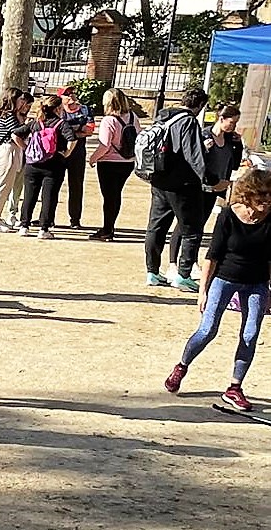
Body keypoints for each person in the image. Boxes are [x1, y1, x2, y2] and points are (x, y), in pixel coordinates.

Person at [163, 165, 271, 412]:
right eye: (261, 196)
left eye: (270, 196)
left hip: (256, 283)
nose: (266, 202)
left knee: (250, 334)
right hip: (224, 279)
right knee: (208, 329)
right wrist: (203, 291)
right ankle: (182, 365)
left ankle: (234, 388)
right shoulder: (228, 216)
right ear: (247, 195)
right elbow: (212, 256)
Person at [144, 89, 212, 290]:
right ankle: (183, 274)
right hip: (182, 184)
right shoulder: (189, 122)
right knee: (191, 228)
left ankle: (152, 272)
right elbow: (193, 154)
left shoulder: (163, 117)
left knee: (156, 226)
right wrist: (208, 179)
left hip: (159, 179)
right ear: (199, 106)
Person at [14, 94, 79, 240]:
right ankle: (44, 228)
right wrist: (67, 153)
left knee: (29, 195)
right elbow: (72, 139)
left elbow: (16, 135)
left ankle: (24, 225)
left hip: (33, 163)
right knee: (49, 196)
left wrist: (26, 148)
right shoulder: (61, 124)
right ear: (57, 109)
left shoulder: (35, 123)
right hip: (54, 164)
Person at [87, 87, 139, 241]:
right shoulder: (132, 117)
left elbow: (104, 145)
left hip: (109, 163)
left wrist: (93, 158)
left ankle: (107, 229)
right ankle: (110, 226)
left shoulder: (108, 120)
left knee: (109, 197)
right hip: (127, 161)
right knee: (116, 195)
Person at [0, 88, 33, 232]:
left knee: (7, 187)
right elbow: (17, 134)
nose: (23, 103)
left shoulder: (14, 115)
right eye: (20, 100)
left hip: (14, 152)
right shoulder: (8, 115)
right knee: (1, 186)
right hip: (7, 151)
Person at [58, 86, 95, 229]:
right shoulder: (57, 110)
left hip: (78, 152)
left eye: (73, 93)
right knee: (53, 184)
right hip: (59, 150)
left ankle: (75, 219)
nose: (71, 96)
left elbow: (89, 130)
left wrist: (70, 132)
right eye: (67, 94)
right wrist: (77, 130)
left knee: (76, 185)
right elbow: (55, 131)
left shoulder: (85, 110)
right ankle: (48, 218)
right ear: (61, 98)